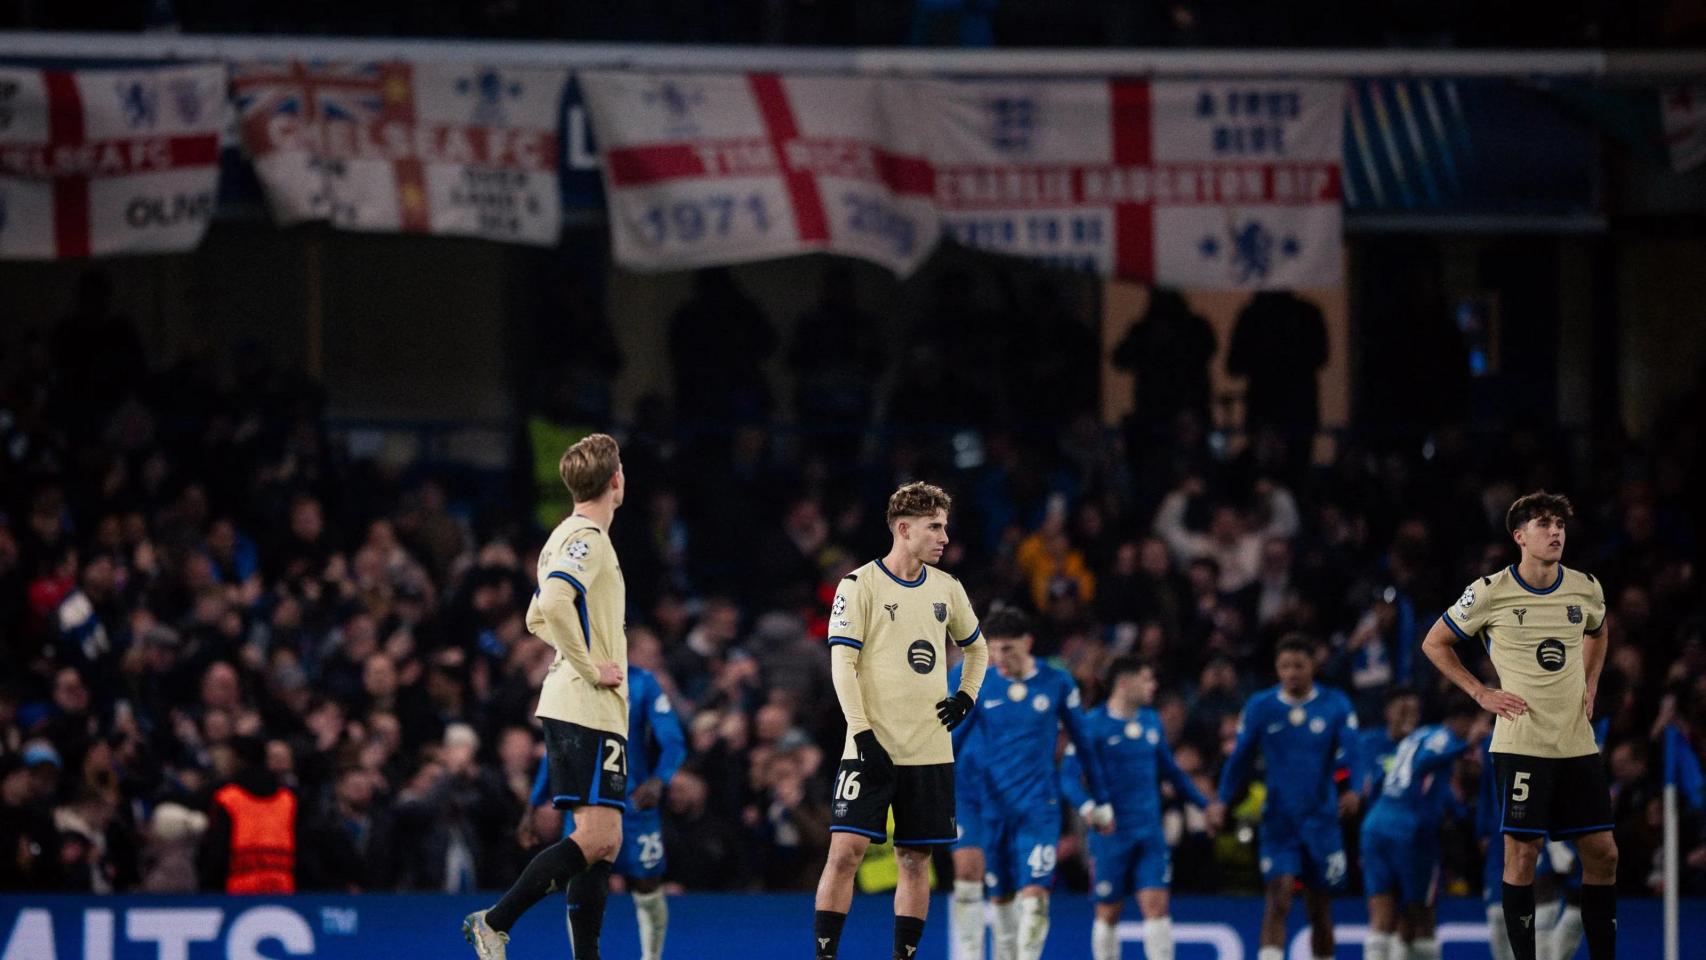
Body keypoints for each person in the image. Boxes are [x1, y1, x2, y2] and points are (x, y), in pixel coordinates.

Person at [1421, 491, 1617, 960]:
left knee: (1604, 853)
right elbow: (1435, 642)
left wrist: (1591, 682)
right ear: (1520, 536)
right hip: (1521, 743)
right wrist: (1481, 693)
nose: (1555, 533)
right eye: (1545, 525)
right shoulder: (1490, 591)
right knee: (1523, 856)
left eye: (1561, 526)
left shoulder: (1585, 586)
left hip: (1575, 742)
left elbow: (1600, 628)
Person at [465, 434, 629, 960]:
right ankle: (494, 920)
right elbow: (555, 604)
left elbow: (537, 615)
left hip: (583, 704)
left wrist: (576, 656)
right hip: (584, 703)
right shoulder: (587, 538)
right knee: (600, 837)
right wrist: (588, 666)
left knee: (602, 841)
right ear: (616, 481)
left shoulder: (564, 535)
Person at [813, 481, 989, 960]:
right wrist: (862, 734)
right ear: (904, 528)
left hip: (929, 749)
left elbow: (977, 648)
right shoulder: (858, 585)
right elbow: (841, 665)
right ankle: (825, 955)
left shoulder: (947, 589)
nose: (944, 537)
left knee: (915, 859)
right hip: (870, 747)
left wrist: (966, 697)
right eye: (935, 526)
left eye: (945, 527)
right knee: (844, 852)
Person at [953, 608, 1111, 960]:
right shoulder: (980, 680)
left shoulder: (1057, 682)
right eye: (993, 651)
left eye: (1008, 649)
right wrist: (929, 784)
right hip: (993, 808)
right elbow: (955, 739)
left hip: (1039, 808)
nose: (999, 659)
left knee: (1036, 900)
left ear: (1028, 642)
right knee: (1002, 900)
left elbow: (1083, 743)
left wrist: (1100, 800)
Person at [1061, 656, 1225, 960]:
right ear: (1125, 683)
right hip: (1111, 835)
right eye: (1147, 679)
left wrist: (1206, 805)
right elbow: (1068, 779)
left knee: (1157, 906)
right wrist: (1087, 809)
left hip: (1150, 832)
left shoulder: (1151, 722)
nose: (1154, 685)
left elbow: (1172, 772)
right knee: (1109, 911)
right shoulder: (1091, 725)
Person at [528, 662, 686, 960]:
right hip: (585, 800)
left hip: (634, 801)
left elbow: (672, 738)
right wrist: (535, 801)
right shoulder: (570, 678)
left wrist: (659, 779)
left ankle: (652, 957)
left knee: (647, 882)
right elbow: (557, 746)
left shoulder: (641, 682)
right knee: (580, 882)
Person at [1218, 634, 1361, 960]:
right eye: (1285, 666)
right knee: (1278, 897)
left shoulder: (1335, 703)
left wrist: (1355, 789)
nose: (1292, 672)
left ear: (1313, 665)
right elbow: (1239, 758)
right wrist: (1221, 801)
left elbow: (1355, 753)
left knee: (1319, 907)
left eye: (1299, 665)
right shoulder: (1261, 707)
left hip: (1321, 821)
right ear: (1277, 668)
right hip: (1279, 822)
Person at [1359, 696, 1487, 960]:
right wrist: (1467, 745)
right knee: (1421, 913)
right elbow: (1424, 764)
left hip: (1376, 824)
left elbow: (1388, 779)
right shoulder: (1445, 739)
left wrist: (1460, 811)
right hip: (1410, 832)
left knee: (1383, 914)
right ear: (1463, 721)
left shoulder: (1417, 736)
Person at [947, 657, 990, 960]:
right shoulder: (957, 674)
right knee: (967, 867)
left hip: (1011, 792)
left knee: (1005, 875)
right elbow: (949, 726)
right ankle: (969, 954)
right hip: (965, 790)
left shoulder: (1031, 679)